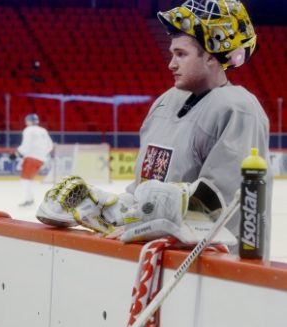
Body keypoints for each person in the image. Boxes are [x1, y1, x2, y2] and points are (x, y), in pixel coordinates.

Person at [38, 0, 271, 257]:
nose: (171, 64)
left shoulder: (238, 109)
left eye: (181, 54)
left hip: (214, 271)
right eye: (173, 53)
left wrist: (156, 215)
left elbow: (217, 206)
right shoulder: (164, 103)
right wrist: (102, 207)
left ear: (210, 55)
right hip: (155, 262)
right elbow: (143, 194)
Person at [15, 113, 53, 207]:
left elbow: (26, 145)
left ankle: (29, 199)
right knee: (28, 180)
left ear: (28, 121)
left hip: (31, 157)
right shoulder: (43, 130)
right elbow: (50, 145)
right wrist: (42, 154)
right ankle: (29, 198)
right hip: (41, 159)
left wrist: (17, 153)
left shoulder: (28, 130)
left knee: (25, 180)